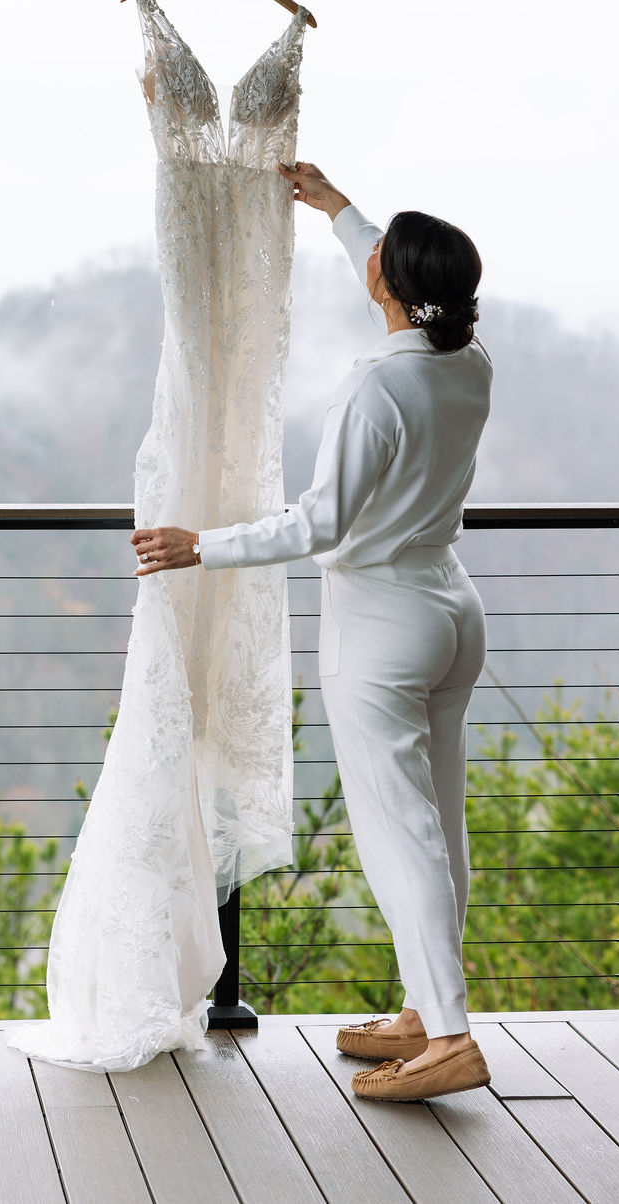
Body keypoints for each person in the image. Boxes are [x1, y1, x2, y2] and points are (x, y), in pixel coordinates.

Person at [132, 160, 494, 1102]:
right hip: (453, 609)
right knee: (438, 824)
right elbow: (392, 269)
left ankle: (450, 1035)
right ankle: (428, 1008)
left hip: (382, 622)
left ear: (389, 283)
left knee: (398, 832)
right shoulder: (468, 362)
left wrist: (196, 545)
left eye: (375, 255)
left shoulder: (379, 388)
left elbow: (316, 526)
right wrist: (339, 211)